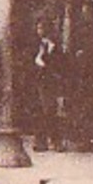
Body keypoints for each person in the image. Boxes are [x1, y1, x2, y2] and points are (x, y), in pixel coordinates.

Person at [30, 19, 63, 151]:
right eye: (38, 28)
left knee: (50, 110)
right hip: (37, 81)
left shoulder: (55, 46)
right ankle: (40, 141)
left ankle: (55, 140)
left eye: (43, 28)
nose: (41, 31)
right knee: (39, 112)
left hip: (50, 81)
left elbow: (59, 63)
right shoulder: (35, 45)